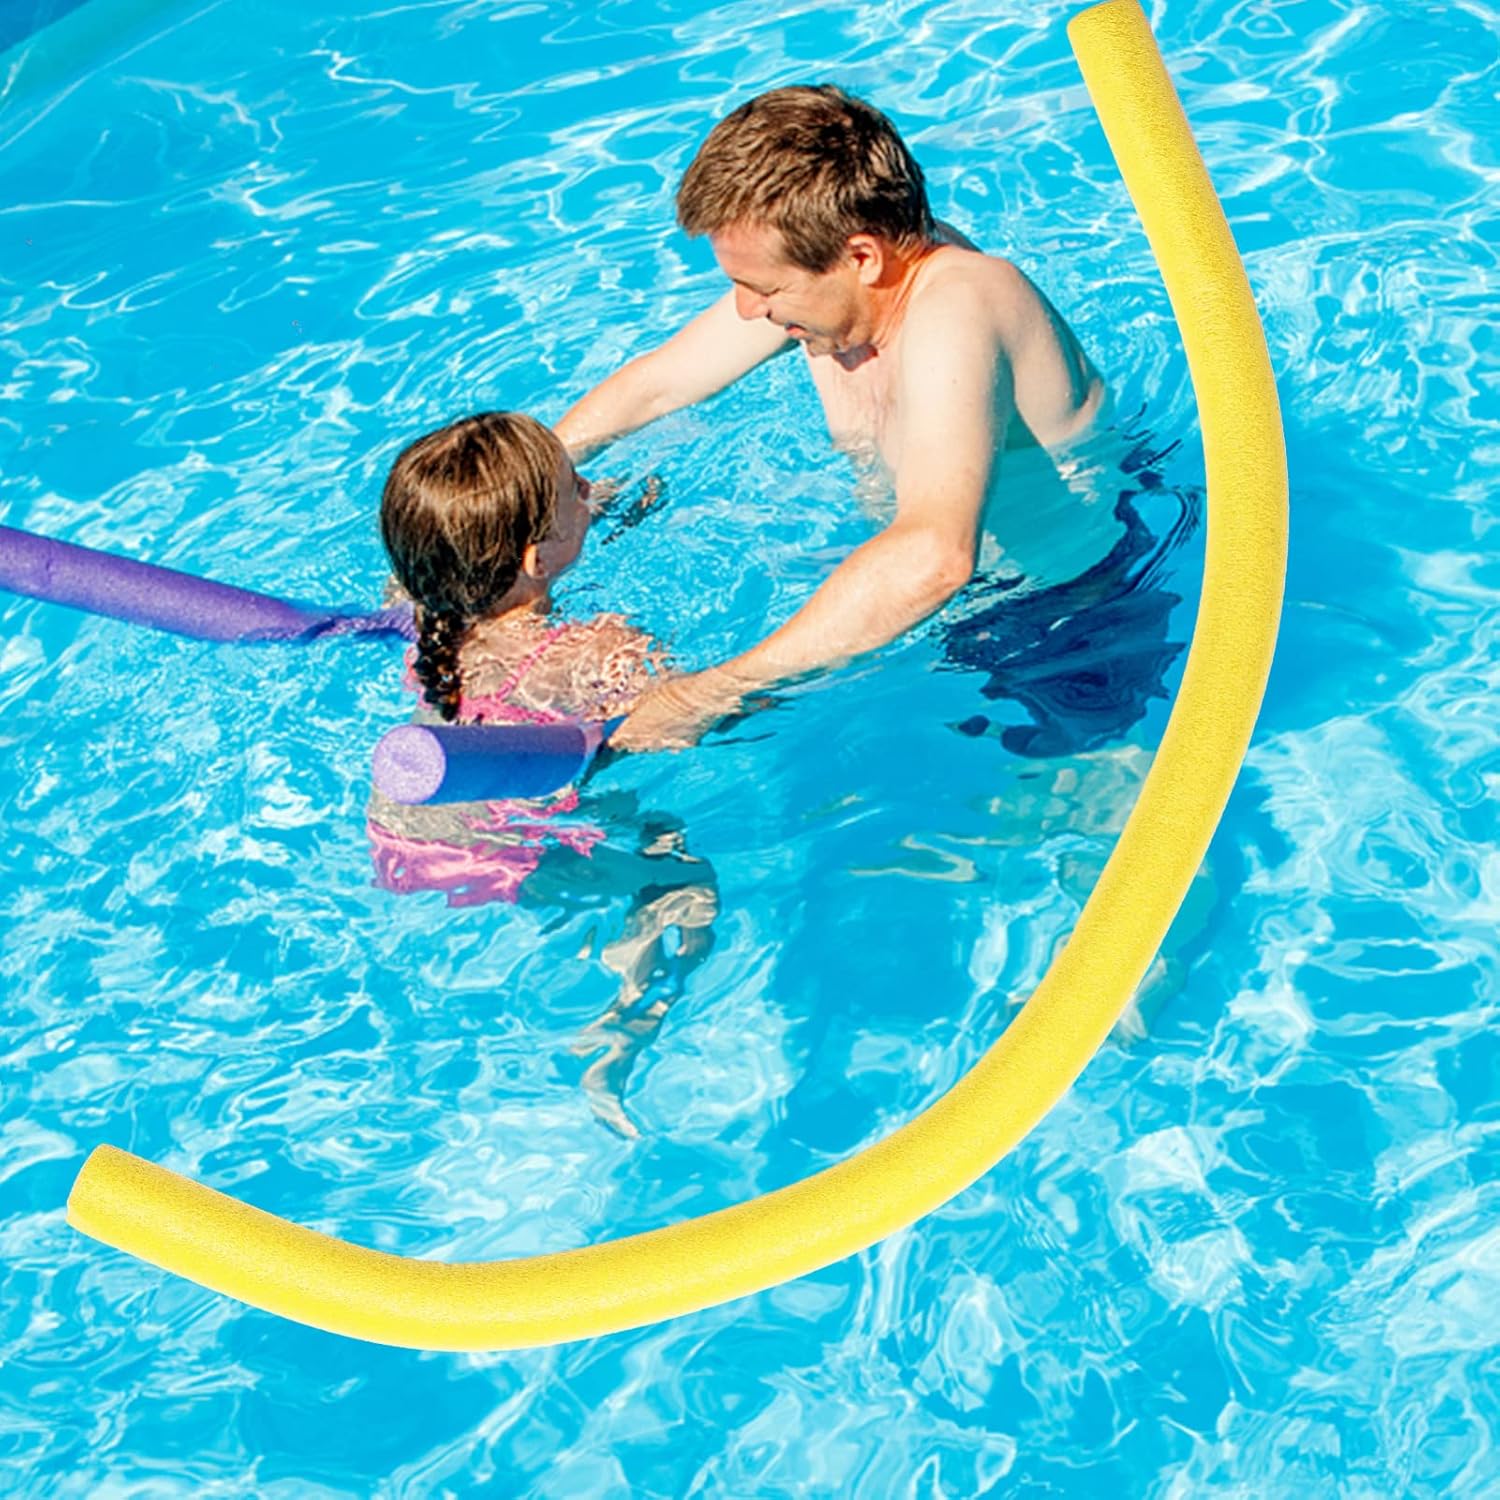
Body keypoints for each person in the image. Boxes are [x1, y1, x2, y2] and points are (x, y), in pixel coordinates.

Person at [555, 84, 1111, 751]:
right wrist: (515, 492)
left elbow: (935, 556)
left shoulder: (959, 308)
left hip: (1072, 627)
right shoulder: (833, 294)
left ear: (862, 257)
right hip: (934, 611)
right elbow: (658, 384)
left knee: (1068, 803)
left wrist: (707, 693)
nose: (746, 310)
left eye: (763, 287)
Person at [370, 410, 717, 1137]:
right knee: (681, 877)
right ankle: (622, 1028)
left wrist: (587, 513)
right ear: (533, 556)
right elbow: (679, 726)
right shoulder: (598, 648)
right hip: (520, 847)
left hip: (406, 838)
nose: (591, 489)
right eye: (578, 487)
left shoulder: (416, 606)